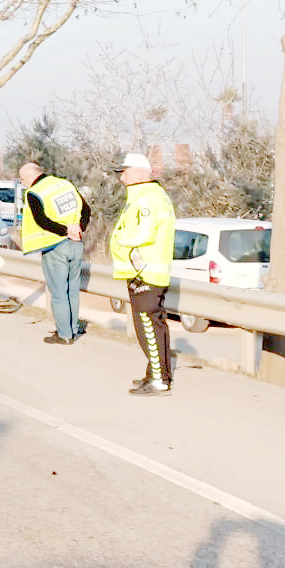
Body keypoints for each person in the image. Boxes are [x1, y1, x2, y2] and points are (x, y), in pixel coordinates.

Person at [109, 152, 177, 396]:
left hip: (146, 271)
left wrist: (117, 239)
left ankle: (159, 380)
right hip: (143, 270)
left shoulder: (148, 199)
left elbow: (143, 234)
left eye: (123, 172)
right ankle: (156, 374)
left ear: (138, 172)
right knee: (149, 324)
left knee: (148, 324)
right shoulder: (146, 196)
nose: (121, 178)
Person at [18, 161, 92, 345]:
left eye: (22, 179)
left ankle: (64, 334)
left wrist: (65, 231)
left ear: (28, 177)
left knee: (58, 292)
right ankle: (73, 328)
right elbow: (86, 210)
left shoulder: (34, 193)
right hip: (76, 244)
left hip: (54, 246)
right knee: (72, 290)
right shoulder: (65, 184)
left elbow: (42, 221)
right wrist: (78, 229)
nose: (22, 183)